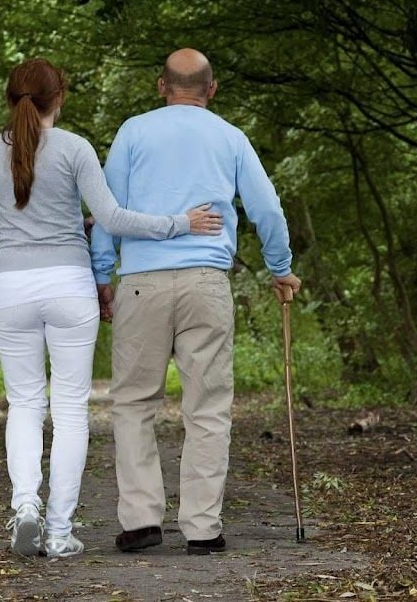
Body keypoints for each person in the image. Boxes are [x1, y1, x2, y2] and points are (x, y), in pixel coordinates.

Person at [0, 58, 222, 559]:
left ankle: (25, 506)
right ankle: (59, 530)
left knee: (24, 404)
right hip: (67, 284)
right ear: (60, 97)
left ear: (11, 99)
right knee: (70, 410)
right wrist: (179, 223)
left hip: (11, 286)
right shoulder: (75, 149)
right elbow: (112, 216)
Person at [90, 48, 302, 556]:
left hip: (142, 281)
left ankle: (141, 520)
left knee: (134, 403)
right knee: (207, 408)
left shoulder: (133, 132)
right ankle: (203, 528)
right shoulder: (230, 137)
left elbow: (103, 209)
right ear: (212, 89)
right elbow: (266, 208)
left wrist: (101, 275)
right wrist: (280, 267)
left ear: (161, 86)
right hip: (207, 282)